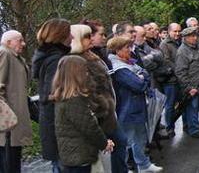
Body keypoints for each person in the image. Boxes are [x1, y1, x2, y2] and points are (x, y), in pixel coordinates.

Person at [69, 24, 127, 173]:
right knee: (102, 154)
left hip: (108, 113)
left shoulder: (92, 54)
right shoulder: (76, 60)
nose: (91, 39)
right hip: (98, 115)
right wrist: (102, 106)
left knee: (119, 143)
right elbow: (87, 90)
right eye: (86, 36)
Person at [108, 37, 163, 172]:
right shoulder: (119, 68)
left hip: (137, 107)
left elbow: (145, 74)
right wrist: (141, 78)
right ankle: (126, 167)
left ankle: (143, 164)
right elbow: (137, 85)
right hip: (128, 109)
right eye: (127, 48)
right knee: (127, 140)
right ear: (118, 50)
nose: (130, 50)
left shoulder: (128, 63)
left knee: (140, 138)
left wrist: (141, 77)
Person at [51, 55, 115, 173]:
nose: (87, 74)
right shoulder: (74, 100)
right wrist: (104, 143)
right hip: (80, 155)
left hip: (74, 154)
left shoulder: (64, 97)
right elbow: (89, 127)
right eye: (84, 71)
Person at [32, 18, 72, 172]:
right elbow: (52, 93)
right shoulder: (56, 60)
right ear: (61, 36)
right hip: (58, 123)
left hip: (53, 121)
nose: (72, 37)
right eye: (69, 34)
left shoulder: (50, 57)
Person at [0, 30, 32, 172]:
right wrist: (6, 117)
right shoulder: (4, 53)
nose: (23, 44)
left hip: (13, 123)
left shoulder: (14, 56)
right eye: (20, 40)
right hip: (8, 125)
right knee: (9, 164)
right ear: (8, 42)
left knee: (13, 162)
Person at [157, 23, 181, 136]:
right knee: (170, 105)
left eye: (178, 31)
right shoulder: (164, 44)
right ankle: (169, 127)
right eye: (175, 31)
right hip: (170, 80)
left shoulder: (179, 42)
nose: (177, 33)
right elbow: (167, 61)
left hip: (180, 78)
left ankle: (186, 125)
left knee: (182, 104)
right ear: (169, 31)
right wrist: (179, 72)